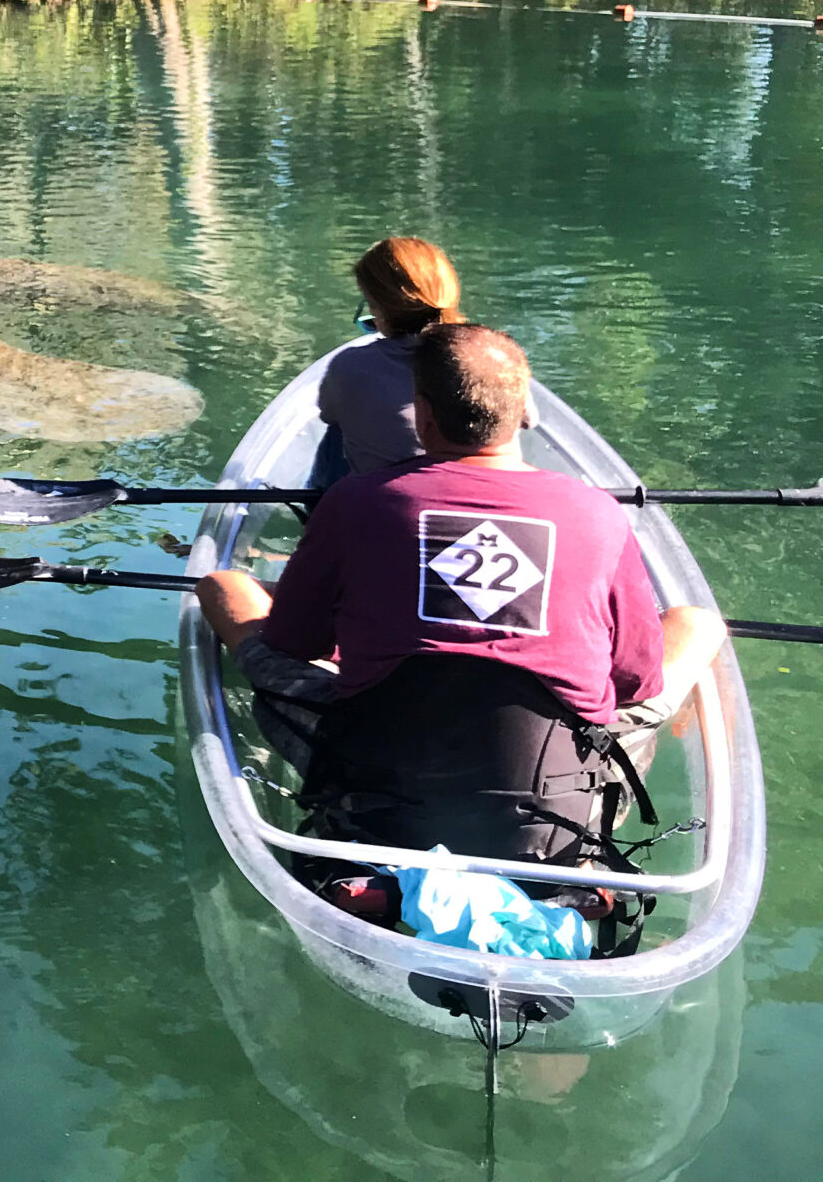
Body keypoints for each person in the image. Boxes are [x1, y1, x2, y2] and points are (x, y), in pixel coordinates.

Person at [198, 322, 728, 864]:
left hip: (373, 776)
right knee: (699, 623)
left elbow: (291, 639)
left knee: (223, 586)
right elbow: (635, 678)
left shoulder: (354, 501)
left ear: (422, 415)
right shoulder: (598, 512)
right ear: (523, 411)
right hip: (562, 797)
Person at [316, 236, 463, 478]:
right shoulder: (490, 357)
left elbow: (326, 413)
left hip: (379, 500)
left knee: (336, 431)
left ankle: (320, 507)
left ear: (378, 307)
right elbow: (529, 419)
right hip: (468, 490)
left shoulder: (349, 365)